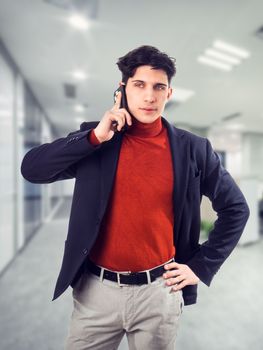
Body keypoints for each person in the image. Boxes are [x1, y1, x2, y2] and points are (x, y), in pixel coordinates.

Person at [21, 45, 250, 350]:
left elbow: (236, 208)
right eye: (139, 85)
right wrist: (94, 138)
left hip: (159, 293)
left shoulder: (193, 149)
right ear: (122, 89)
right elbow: (33, 169)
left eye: (159, 87)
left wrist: (201, 266)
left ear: (169, 93)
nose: (149, 96)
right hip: (95, 291)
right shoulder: (97, 138)